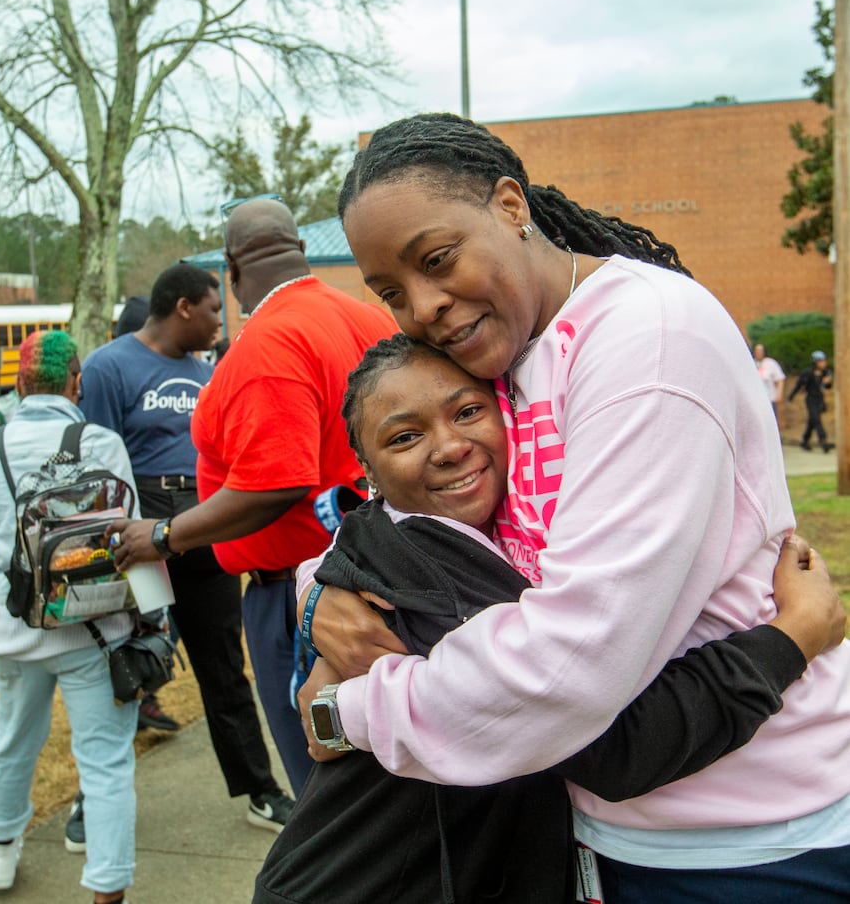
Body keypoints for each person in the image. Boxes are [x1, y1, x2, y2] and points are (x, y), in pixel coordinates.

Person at [298, 113, 850, 902]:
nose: (422, 306)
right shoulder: (511, 356)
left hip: (746, 844)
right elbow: (418, 527)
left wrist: (347, 712)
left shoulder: (647, 342)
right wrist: (322, 592)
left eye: (438, 259)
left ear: (511, 206)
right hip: (612, 832)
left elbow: (568, 663)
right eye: (391, 291)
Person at [256, 333, 844, 903]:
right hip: (372, 884)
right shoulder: (429, 576)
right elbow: (620, 751)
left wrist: (313, 594)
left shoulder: (484, 528)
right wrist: (794, 636)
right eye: (406, 436)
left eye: (467, 411)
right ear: (368, 470)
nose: (449, 445)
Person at [108, 197, 397, 797]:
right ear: (298, 249)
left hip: (303, 599)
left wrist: (165, 535)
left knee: (328, 787)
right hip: (386, 571)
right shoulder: (370, 319)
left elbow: (276, 481)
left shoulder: (267, 342)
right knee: (388, 781)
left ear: (233, 271)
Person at [80, 263, 294, 836]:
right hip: (140, 544)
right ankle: (91, 802)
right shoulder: (109, 366)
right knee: (126, 665)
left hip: (202, 535)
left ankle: (261, 790)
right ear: (182, 308)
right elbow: (92, 465)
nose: (219, 323)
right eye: (212, 310)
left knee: (224, 668)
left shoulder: (209, 372)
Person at [0, 330, 139, 899]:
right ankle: (107, 887)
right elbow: (129, 535)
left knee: (13, 741)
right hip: (94, 625)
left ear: (20, 383)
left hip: (14, 627)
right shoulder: (103, 442)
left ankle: (0, 849)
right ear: (76, 383)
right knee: (106, 761)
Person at [790, 349, 834, 452]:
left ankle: (805, 441)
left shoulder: (826, 373)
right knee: (816, 420)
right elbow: (799, 385)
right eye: (820, 361)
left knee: (812, 421)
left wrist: (827, 382)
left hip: (820, 399)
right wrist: (791, 396)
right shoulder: (808, 373)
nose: (823, 363)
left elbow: (827, 387)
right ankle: (823, 440)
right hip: (811, 399)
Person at [752, 343, 786, 428]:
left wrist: (779, 394)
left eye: (761, 351)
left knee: (771, 422)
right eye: (757, 351)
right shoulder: (751, 363)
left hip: (769, 398)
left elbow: (780, 379)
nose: (759, 353)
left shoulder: (771, 363)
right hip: (756, 400)